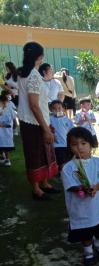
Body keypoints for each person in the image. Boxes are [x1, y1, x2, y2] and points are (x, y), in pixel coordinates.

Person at [62, 127, 99, 266]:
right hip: (82, 207)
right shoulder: (69, 167)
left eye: (83, 143)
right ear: (69, 147)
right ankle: (88, 251)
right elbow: (70, 185)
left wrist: (97, 187)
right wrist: (82, 188)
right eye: (74, 144)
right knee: (85, 230)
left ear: (91, 145)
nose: (79, 147)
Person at [17, 42, 59, 200]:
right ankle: (36, 189)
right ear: (39, 56)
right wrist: (46, 129)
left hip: (35, 120)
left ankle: (44, 183)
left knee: (43, 153)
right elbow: (34, 105)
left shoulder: (24, 72)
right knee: (35, 155)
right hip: (33, 122)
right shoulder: (32, 75)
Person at [49, 100, 74, 170]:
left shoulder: (67, 120)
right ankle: (62, 176)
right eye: (54, 109)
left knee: (68, 161)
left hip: (67, 145)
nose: (57, 110)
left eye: (59, 108)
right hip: (57, 145)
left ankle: (65, 175)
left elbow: (72, 131)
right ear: (51, 110)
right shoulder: (49, 119)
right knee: (61, 163)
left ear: (63, 108)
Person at [0, 93, 16, 166]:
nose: (7, 103)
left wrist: (13, 126)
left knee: (6, 144)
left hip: (7, 130)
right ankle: (2, 156)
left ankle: (7, 159)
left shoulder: (10, 109)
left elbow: (13, 119)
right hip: (1, 129)